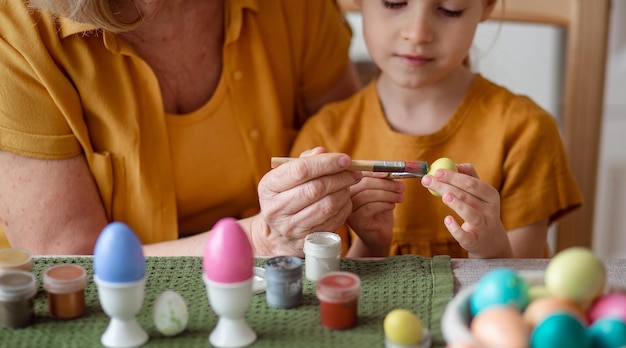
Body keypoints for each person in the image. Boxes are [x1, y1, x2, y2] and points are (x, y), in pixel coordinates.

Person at [0, 0, 399, 257]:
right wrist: (261, 240)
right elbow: (69, 269)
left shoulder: (295, 7)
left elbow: (345, 138)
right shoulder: (17, 34)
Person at [289, 0, 583, 258]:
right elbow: (328, 290)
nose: (417, 34)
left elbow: (517, 295)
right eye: (394, 3)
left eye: (449, 10)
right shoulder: (325, 137)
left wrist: (490, 247)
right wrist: (371, 246)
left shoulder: (525, 131)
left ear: (488, 5)